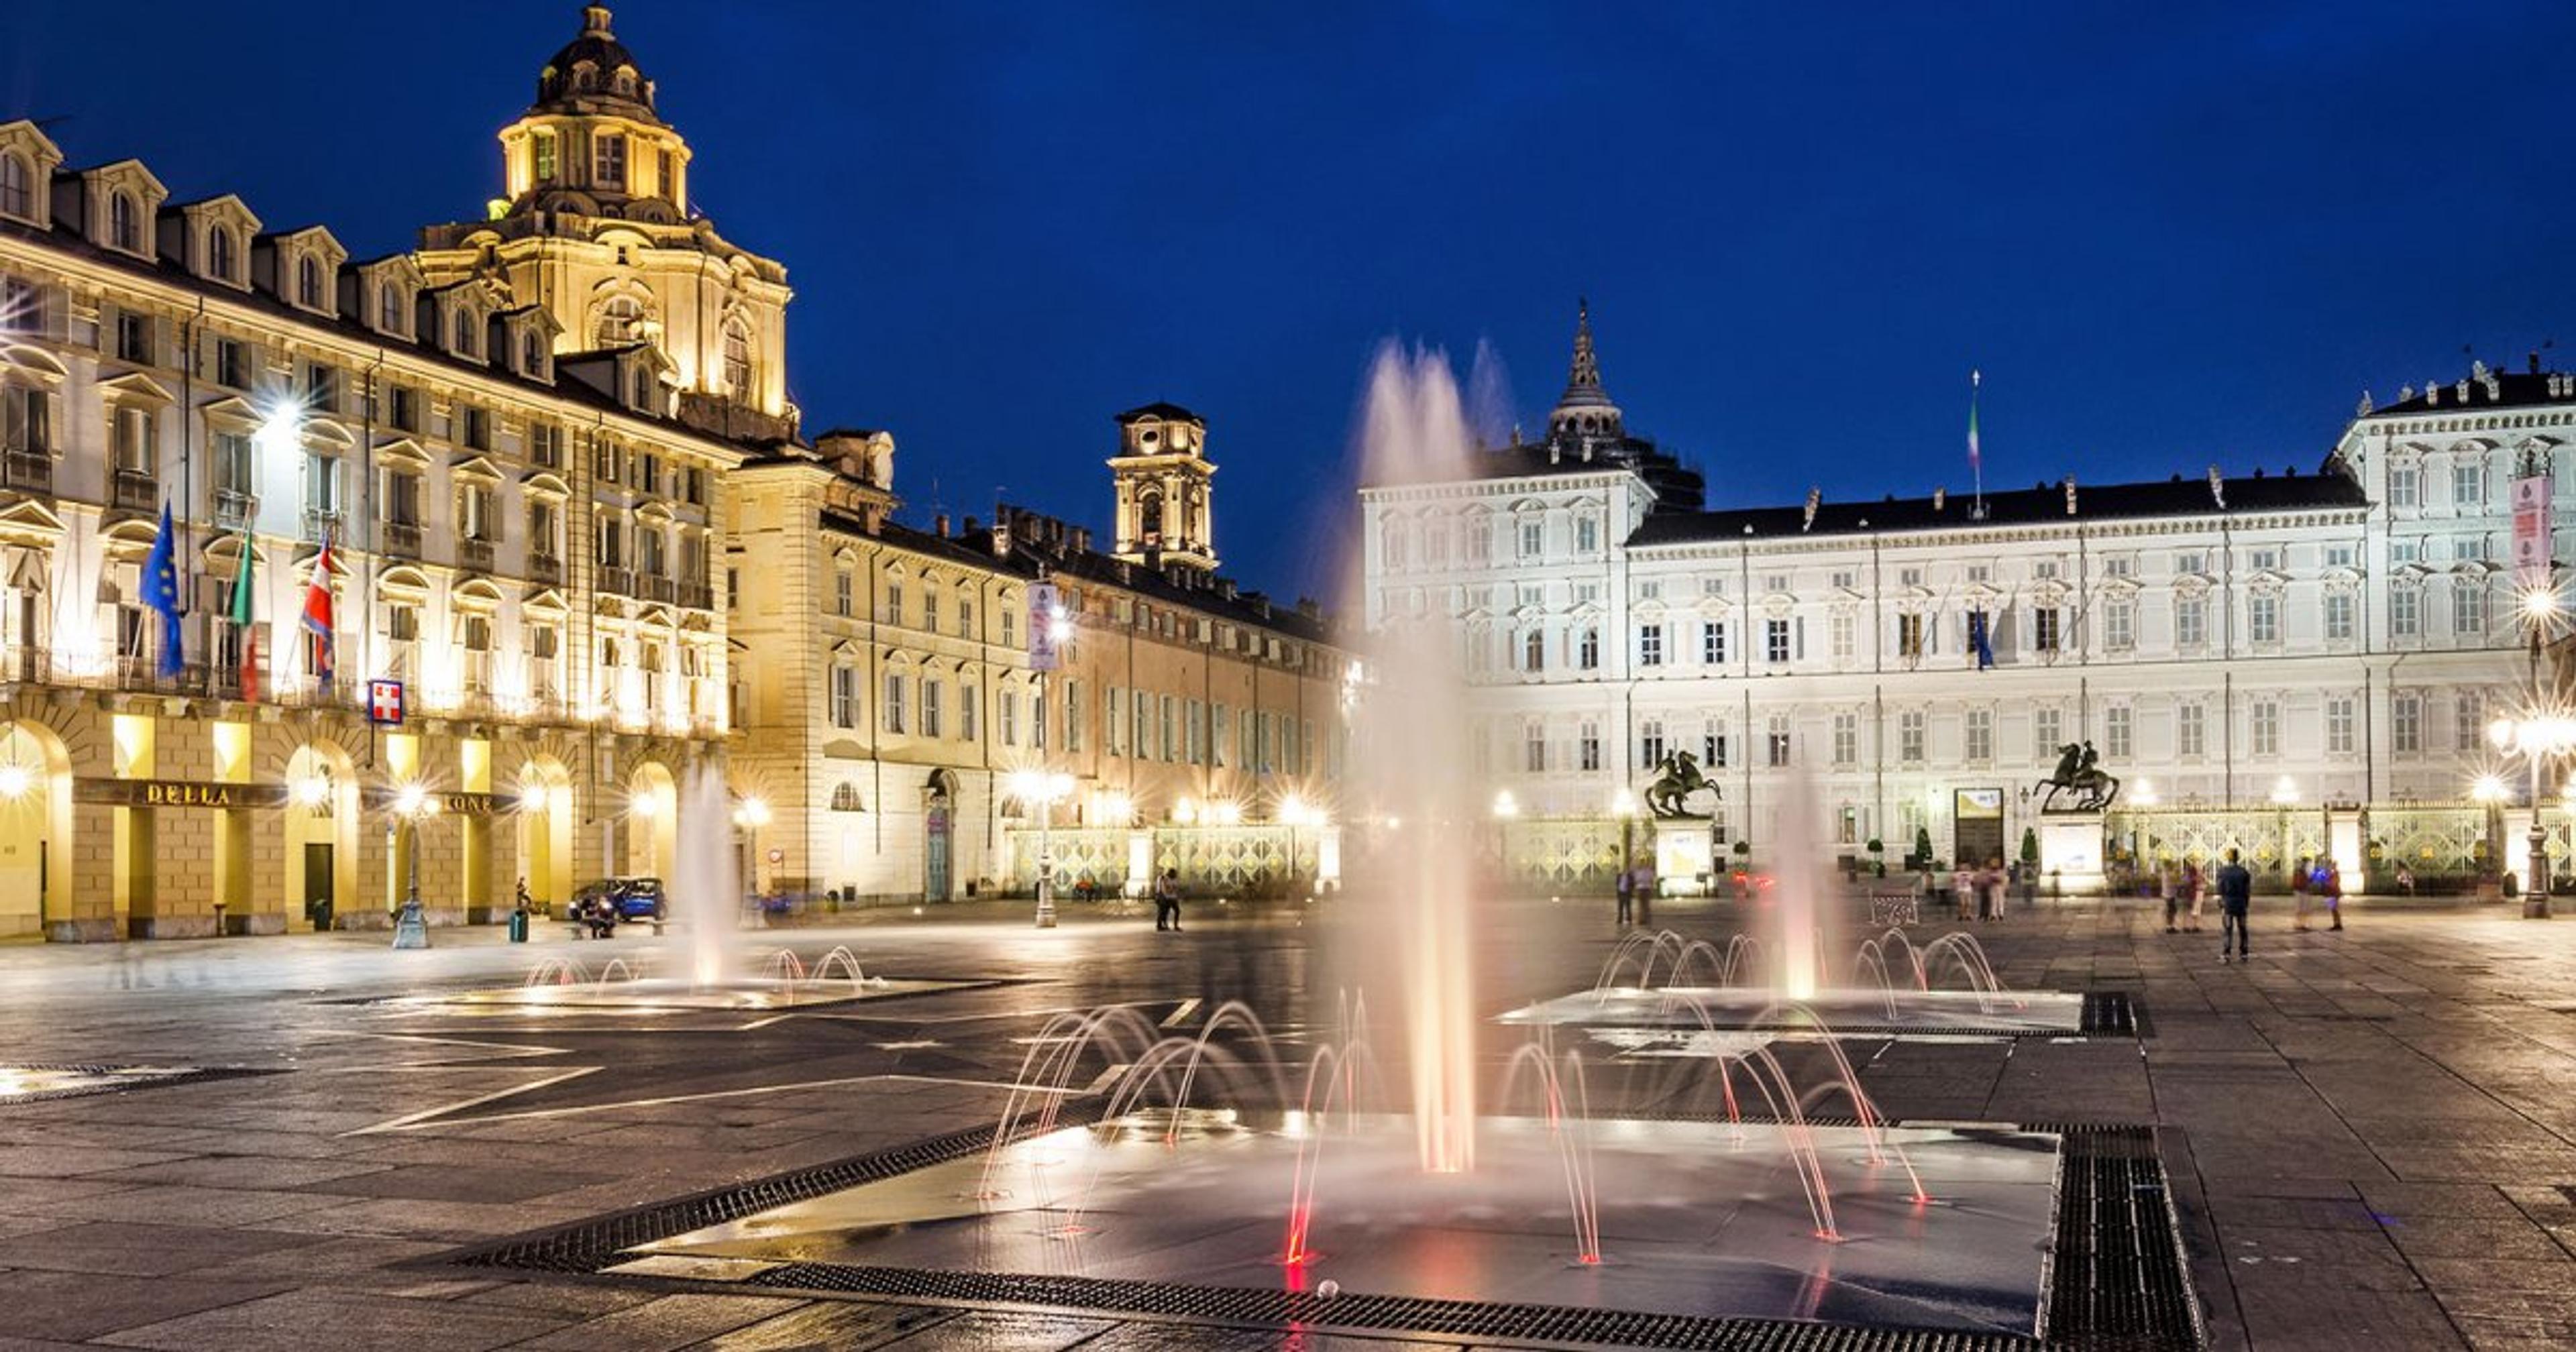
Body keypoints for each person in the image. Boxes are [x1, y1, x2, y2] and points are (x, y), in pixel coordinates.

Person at [2216, 847, 2253, 962]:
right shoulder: (2244, 872)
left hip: (2228, 903)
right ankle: (2244, 953)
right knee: (2243, 929)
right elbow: (2247, 891)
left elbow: (2220, 890)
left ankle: (2226, 953)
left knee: (2228, 929)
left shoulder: (2222, 872)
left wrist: (2221, 904)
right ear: (2238, 858)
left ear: (2228, 858)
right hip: (2241, 903)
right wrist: (2246, 904)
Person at [1154, 868, 1183, 932]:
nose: (1175, 875)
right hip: (1166, 898)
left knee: (1177, 911)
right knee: (1163, 912)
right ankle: (1160, 926)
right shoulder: (1165, 879)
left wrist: (1175, 893)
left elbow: (1176, 888)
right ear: (1170, 873)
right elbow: (1163, 889)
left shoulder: (1175, 879)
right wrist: (1166, 894)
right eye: (1174, 874)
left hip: (1173, 898)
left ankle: (1175, 925)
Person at [2320, 858, 2345, 932]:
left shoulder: (2334, 873)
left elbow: (2333, 884)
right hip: (2331, 893)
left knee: (2335, 910)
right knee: (2333, 910)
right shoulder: (2330, 873)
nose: (2328, 866)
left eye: (2330, 865)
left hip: (2333, 893)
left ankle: (2338, 924)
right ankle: (2336, 924)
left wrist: (2326, 882)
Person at [2182, 860, 2206, 934]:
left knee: (2197, 910)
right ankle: (2188, 926)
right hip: (2194, 892)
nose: (2200, 864)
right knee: (2192, 909)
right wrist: (2197, 878)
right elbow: (2187, 880)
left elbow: (2203, 881)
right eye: (2198, 862)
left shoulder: (2199, 872)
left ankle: (2194, 926)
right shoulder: (2191, 871)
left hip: (2198, 892)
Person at [2291, 855, 2313, 932]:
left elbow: (2309, 880)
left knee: (2301, 908)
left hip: (2300, 890)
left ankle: (2300, 924)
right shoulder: (2303, 870)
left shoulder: (2299, 870)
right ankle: (2302, 924)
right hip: (2302, 890)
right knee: (2303, 908)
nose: (2309, 864)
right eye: (2309, 862)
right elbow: (2309, 880)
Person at [2159, 860, 2180, 933]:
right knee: (2171, 911)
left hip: (2168, 894)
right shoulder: (2167, 874)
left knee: (2172, 911)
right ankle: (2169, 927)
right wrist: (2176, 883)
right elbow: (2172, 883)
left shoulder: (2165, 873)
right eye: (2172, 865)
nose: (2173, 867)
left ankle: (2171, 926)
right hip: (2169, 894)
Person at [1615, 859, 1635, 927]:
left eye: (1626, 868)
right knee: (1620, 907)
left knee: (1628, 907)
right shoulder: (1619, 875)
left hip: (1627, 893)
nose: (1624, 869)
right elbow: (1617, 883)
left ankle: (1629, 919)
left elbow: (1633, 884)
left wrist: (1630, 890)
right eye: (1623, 868)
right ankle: (1620, 919)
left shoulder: (1630, 876)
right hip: (1621, 892)